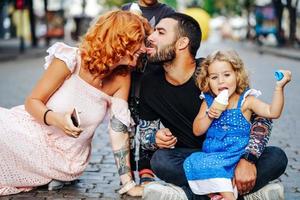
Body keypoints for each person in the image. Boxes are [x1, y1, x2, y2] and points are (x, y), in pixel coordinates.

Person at [0, 10, 151, 196]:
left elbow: (118, 130)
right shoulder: (70, 60)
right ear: (120, 40)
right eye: (139, 41)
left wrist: (128, 183)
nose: (144, 48)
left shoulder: (122, 77)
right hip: (29, 132)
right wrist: (57, 119)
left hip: (66, 159)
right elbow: (32, 101)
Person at [139, 12, 288, 200]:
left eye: (160, 32)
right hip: (193, 157)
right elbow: (145, 137)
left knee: (277, 157)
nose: (150, 37)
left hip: (235, 155)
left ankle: (186, 195)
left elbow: (263, 118)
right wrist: (156, 138)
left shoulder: (216, 74)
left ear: (182, 43)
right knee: (160, 160)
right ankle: (245, 194)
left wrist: (248, 159)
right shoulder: (149, 84)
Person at [183, 50, 291, 200]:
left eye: (227, 75)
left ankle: (226, 196)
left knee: (275, 158)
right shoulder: (208, 101)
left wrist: (279, 87)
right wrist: (209, 115)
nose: (221, 81)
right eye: (214, 77)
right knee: (193, 161)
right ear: (208, 81)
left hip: (236, 157)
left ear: (237, 75)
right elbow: (197, 130)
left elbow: (273, 112)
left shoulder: (246, 101)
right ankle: (230, 194)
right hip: (213, 156)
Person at [121, 0, 175, 184]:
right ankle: (126, 173)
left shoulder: (167, 11)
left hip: (152, 80)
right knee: (126, 127)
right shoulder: (126, 9)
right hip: (127, 81)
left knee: (148, 126)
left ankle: (146, 170)